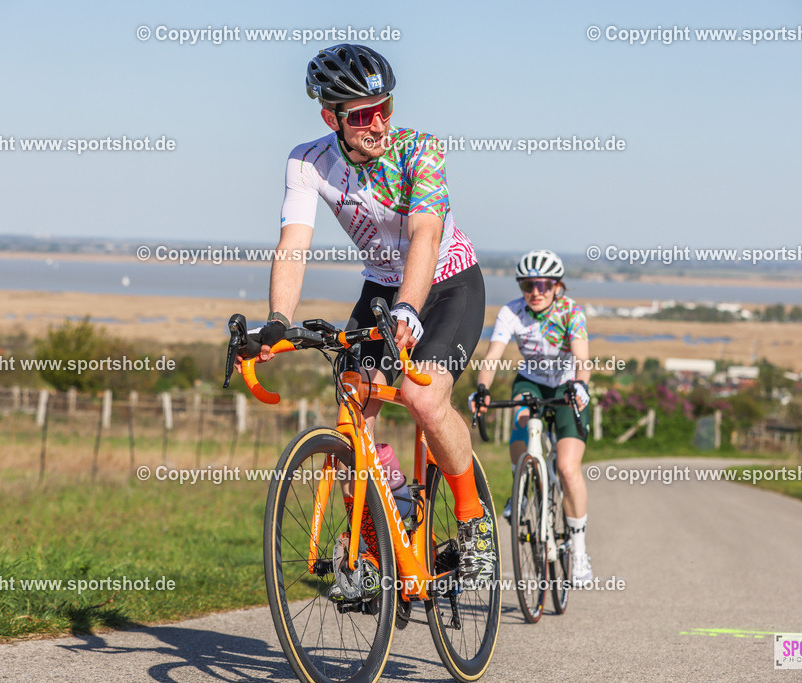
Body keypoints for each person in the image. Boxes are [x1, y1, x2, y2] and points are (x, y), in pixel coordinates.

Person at [242, 44, 493, 591]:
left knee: (425, 399)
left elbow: (426, 233)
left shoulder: (420, 150)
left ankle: (474, 521)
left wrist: (410, 304)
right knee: (356, 405)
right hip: (381, 286)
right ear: (330, 116)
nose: (378, 123)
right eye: (362, 115)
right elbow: (293, 243)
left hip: (448, 282)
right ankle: (385, 528)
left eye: (385, 108)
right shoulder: (307, 162)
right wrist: (278, 320)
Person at [471, 249, 594, 581]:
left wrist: (581, 386)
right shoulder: (512, 312)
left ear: (557, 286)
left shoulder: (571, 312)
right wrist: (482, 389)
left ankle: (579, 551)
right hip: (532, 383)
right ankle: (521, 486)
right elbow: (492, 357)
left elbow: (583, 361)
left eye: (543, 285)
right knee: (521, 430)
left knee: (568, 468)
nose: (535, 292)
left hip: (568, 386)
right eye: (527, 285)